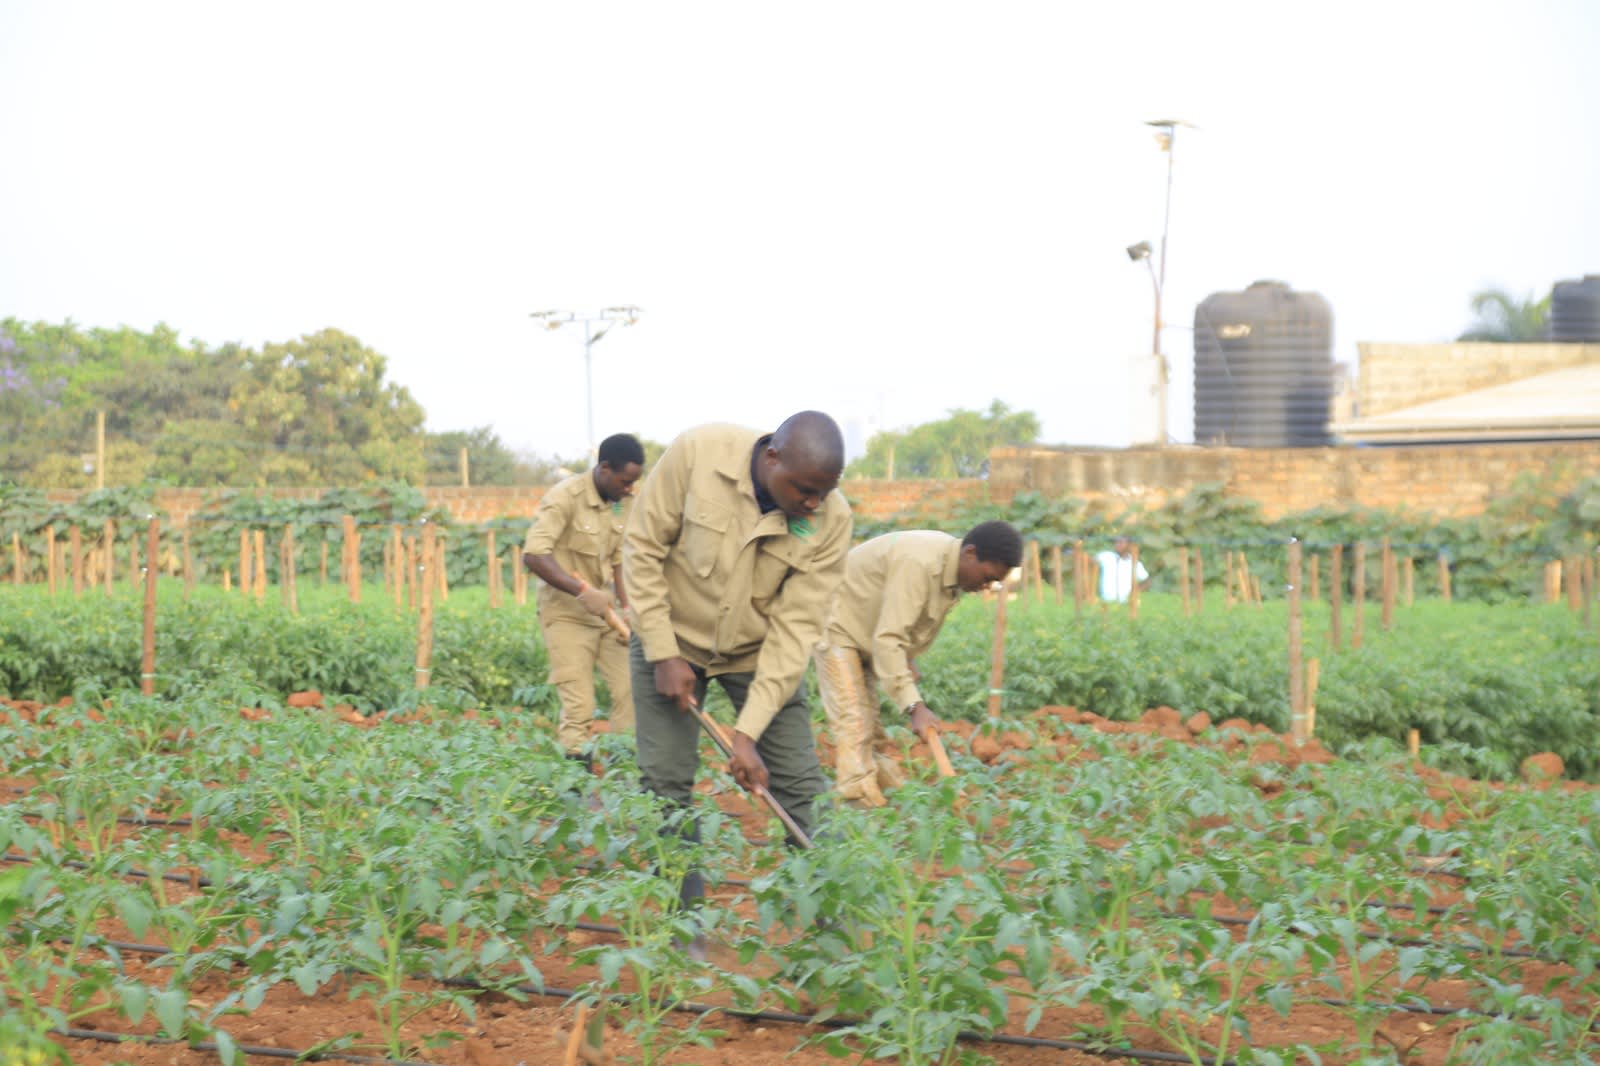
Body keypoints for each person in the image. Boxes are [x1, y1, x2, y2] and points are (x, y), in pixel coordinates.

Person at [622, 411, 851, 910]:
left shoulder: (831, 521)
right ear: (772, 457)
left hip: (756, 654)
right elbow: (641, 549)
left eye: (825, 493)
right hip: (672, 636)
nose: (813, 504)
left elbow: (796, 633)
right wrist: (662, 653)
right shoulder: (697, 454)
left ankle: (832, 938)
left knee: (800, 788)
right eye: (805, 490)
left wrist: (745, 734)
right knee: (665, 785)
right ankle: (683, 929)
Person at [814, 521, 1023, 806]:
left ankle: (892, 802)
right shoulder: (919, 563)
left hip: (867, 632)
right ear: (970, 553)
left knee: (870, 728)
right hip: (836, 624)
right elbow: (889, 639)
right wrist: (916, 707)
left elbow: (905, 623)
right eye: (987, 577)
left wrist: (907, 658)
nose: (986, 586)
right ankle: (859, 810)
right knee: (853, 722)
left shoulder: (951, 572)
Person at [522, 433, 647, 767]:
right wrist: (581, 591)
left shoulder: (623, 502)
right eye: (625, 481)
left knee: (631, 692)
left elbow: (620, 559)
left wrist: (627, 605)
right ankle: (576, 793)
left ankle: (623, 787)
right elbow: (534, 555)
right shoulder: (565, 497)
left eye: (634, 483)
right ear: (604, 468)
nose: (629, 489)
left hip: (607, 614)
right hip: (566, 616)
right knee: (580, 705)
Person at [1095, 535, 1150, 603]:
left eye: (1120, 542)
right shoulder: (1105, 556)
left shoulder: (1135, 563)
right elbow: (1089, 563)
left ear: (1129, 545)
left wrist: (1135, 591)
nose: (1117, 545)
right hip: (1106, 601)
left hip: (1126, 602)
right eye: (1116, 542)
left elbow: (1147, 582)